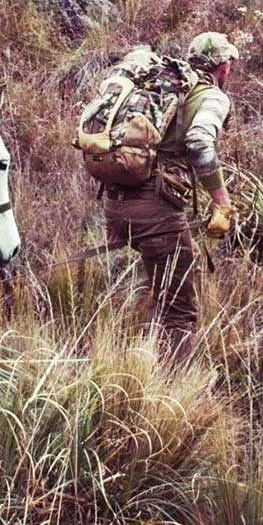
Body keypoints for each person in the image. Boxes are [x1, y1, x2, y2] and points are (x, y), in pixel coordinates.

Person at [102, 32, 239, 345]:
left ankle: (140, 356)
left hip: (116, 203)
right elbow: (200, 146)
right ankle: (173, 384)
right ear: (224, 66)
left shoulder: (161, 85)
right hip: (155, 210)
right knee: (179, 311)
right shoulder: (212, 97)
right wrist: (223, 203)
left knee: (159, 284)